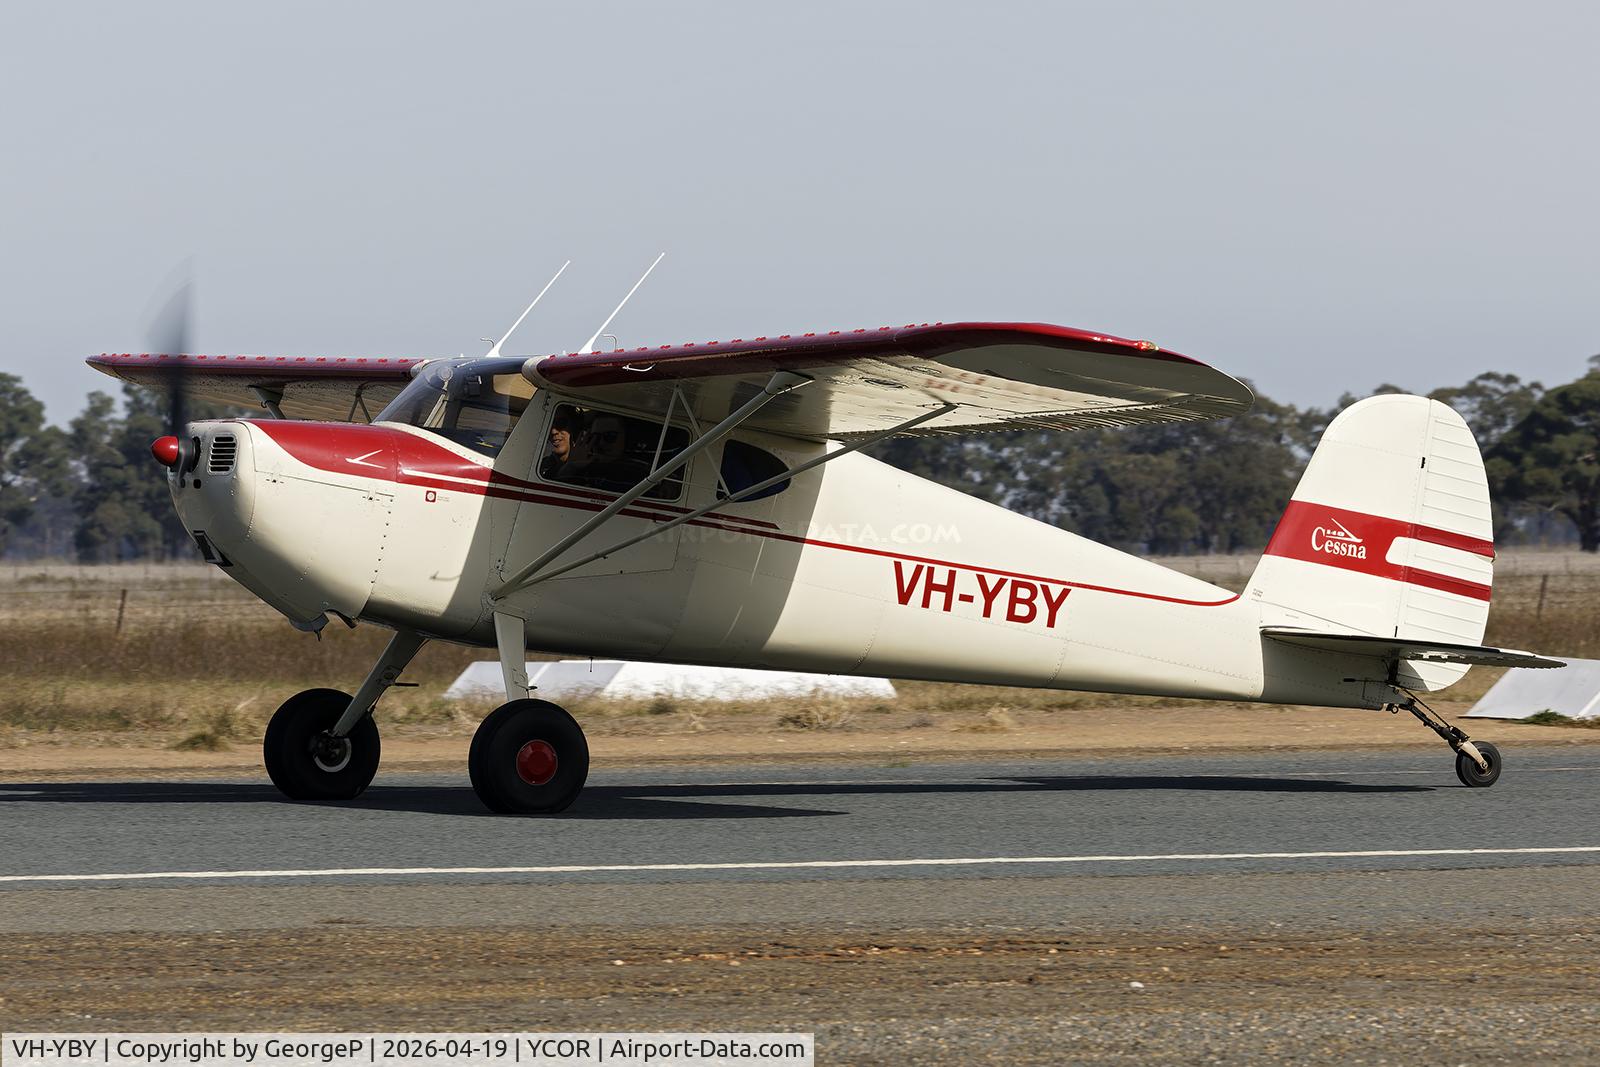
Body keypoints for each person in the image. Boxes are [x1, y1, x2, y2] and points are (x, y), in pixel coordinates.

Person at [539, 408, 579, 479]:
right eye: (549, 425)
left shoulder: (587, 466)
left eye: (561, 423)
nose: (553, 431)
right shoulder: (540, 466)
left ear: (573, 428)